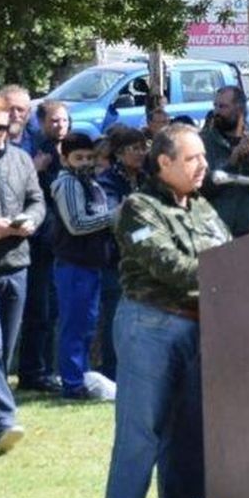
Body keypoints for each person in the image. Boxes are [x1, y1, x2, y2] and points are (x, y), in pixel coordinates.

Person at [100, 124, 231, 498]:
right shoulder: (138, 208)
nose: (203, 166)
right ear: (164, 162)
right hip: (150, 327)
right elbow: (169, 266)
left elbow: (232, 256)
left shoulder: (204, 209)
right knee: (141, 436)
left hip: (199, 328)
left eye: (204, 158)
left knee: (189, 437)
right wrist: (224, 278)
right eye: (193, 159)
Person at [49, 133, 119, 400]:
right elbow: (77, 224)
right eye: (78, 158)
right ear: (65, 159)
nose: (85, 162)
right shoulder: (67, 183)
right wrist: (113, 216)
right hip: (73, 265)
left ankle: (82, 376)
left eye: (89, 157)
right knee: (74, 325)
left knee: (87, 325)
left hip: (90, 264)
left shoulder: (89, 183)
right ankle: (72, 382)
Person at [0, 92, 42, 452]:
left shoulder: (21, 160)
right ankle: (5, 420)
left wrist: (31, 222)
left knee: (4, 351)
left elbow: (36, 200)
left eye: (0, 127)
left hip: (16, 263)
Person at [17, 100, 70, 392]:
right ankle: (33, 371)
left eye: (63, 120)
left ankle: (47, 368)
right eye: (54, 121)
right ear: (41, 122)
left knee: (53, 310)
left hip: (61, 243)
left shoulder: (70, 148)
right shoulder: (38, 151)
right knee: (40, 310)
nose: (59, 126)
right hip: (40, 241)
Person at [95, 124, 148, 380]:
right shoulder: (107, 182)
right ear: (118, 153)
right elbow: (118, 220)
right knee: (116, 317)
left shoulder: (147, 178)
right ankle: (111, 372)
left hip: (146, 261)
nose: (140, 153)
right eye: (134, 148)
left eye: (143, 147)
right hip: (116, 260)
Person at [201, 86, 249, 238]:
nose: (217, 112)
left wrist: (246, 159)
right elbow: (202, 186)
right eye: (215, 106)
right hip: (215, 230)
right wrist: (232, 162)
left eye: (223, 106)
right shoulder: (203, 142)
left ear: (239, 109)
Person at [0, 84, 35, 154]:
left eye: (20, 110)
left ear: (29, 112)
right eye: (10, 109)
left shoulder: (38, 141)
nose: (15, 115)